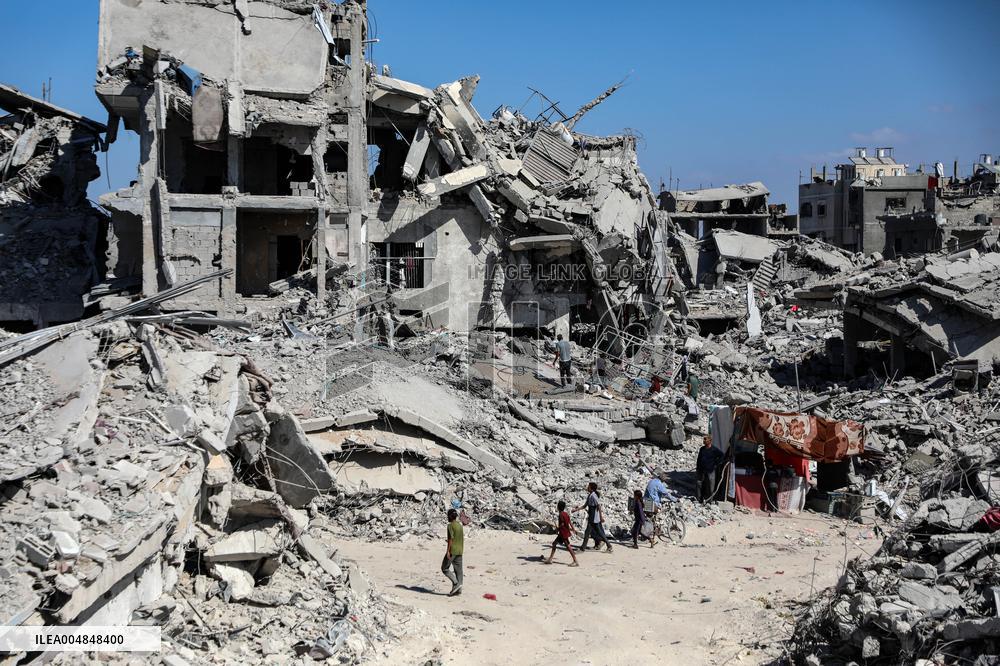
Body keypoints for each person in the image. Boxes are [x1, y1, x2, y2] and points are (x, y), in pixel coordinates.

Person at [574, 482, 613, 552]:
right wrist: (576, 509)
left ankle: (582, 548)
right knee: (599, 532)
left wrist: (600, 517)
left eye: (588, 487)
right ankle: (609, 545)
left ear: (591, 489)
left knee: (588, 532)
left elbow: (598, 506)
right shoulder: (590, 495)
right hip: (592, 516)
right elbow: (585, 506)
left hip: (594, 517)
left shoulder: (593, 496)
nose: (587, 488)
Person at [644, 470, 678, 547]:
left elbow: (653, 493)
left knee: (652, 517)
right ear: (662, 479)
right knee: (658, 510)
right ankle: (653, 534)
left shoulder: (652, 481)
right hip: (652, 504)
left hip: (646, 502)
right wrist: (675, 499)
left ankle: (652, 531)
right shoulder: (659, 484)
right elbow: (666, 494)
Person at [544, 500, 579, 566]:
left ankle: (575, 561)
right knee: (554, 543)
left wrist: (558, 528)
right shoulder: (566, 514)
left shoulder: (561, 515)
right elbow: (569, 522)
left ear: (558, 507)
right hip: (563, 532)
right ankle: (550, 559)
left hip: (563, 533)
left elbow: (562, 524)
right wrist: (573, 529)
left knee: (568, 546)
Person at [441, 508, 464, 596]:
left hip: (453, 550)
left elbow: (450, 539)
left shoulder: (450, 526)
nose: (447, 517)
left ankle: (456, 583)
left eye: (448, 516)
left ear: (450, 516)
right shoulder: (460, 525)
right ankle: (458, 590)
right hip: (460, 550)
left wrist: (448, 551)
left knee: (444, 568)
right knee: (458, 571)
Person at [696, 436, 724, 503]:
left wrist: (716, 464)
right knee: (699, 484)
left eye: (705, 439)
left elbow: (722, 455)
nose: (704, 441)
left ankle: (709, 500)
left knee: (710, 486)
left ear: (710, 441)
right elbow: (699, 459)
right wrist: (698, 467)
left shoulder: (714, 449)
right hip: (701, 470)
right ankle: (699, 499)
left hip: (710, 470)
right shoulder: (702, 449)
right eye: (704, 439)